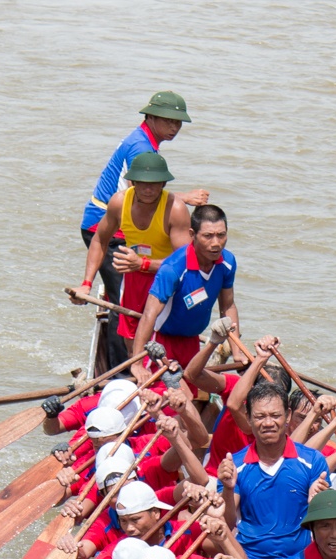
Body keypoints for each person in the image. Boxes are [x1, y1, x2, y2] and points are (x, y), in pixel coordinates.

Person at [78, 92, 207, 316]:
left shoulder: (142, 137)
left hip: (112, 218)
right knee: (123, 304)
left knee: (127, 289)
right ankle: (122, 349)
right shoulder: (142, 147)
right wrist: (184, 198)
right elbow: (138, 192)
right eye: (168, 121)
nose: (174, 128)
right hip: (107, 221)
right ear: (150, 117)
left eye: (177, 122)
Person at [79, 151, 191, 348]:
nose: (148, 189)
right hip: (133, 278)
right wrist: (86, 283)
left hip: (166, 279)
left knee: (163, 344)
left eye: (154, 184)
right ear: (132, 183)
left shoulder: (175, 209)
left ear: (163, 184)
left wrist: (144, 263)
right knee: (132, 345)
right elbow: (99, 240)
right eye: (142, 183)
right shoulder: (119, 202)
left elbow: (186, 261)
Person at [217, 383, 329, 559]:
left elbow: (326, 526)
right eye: (260, 417)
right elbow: (227, 521)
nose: (268, 423)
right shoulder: (234, 465)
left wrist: (318, 504)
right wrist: (227, 488)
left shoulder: (313, 462)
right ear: (249, 419)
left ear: (287, 416)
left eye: (275, 416)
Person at [132, 205, 237, 368]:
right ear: (192, 235)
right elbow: (149, 316)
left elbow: (228, 305)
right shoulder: (173, 269)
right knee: (159, 392)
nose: (216, 243)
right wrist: (137, 365)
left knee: (189, 392)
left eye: (221, 235)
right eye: (208, 236)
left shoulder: (227, 263)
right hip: (161, 343)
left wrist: (237, 353)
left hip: (193, 342)